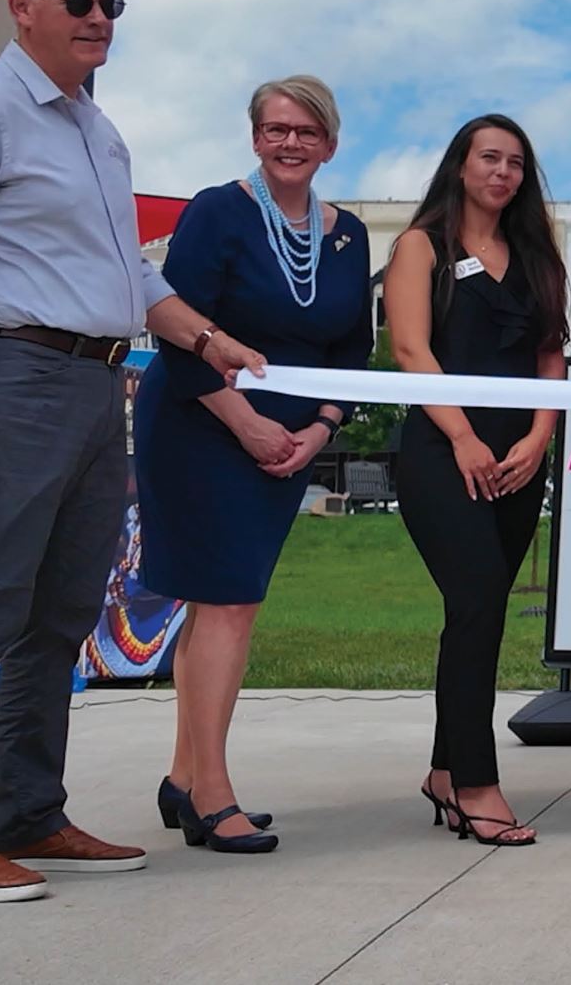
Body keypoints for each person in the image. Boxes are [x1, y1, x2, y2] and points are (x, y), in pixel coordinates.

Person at [0, 0, 266, 903]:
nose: (100, 21)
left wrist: (207, 338)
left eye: (111, 7)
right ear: (22, 7)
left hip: (97, 384)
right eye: (81, 4)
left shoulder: (96, 130)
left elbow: (127, 272)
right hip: (9, 375)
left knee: (59, 615)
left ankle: (28, 813)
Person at [136, 77, 373, 855]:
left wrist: (320, 430)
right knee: (227, 602)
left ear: (331, 143)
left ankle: (182, 777)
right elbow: (179, 326)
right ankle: (212, 793)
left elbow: (350, 349)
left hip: (292, 439)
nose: (290, 143)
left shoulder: (349, 233)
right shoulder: (217, 210)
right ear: (254, 137)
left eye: (306, 131)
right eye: (275, 129)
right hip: (203, 424)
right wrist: (245, 425)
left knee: (225, 606)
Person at [385, 114, 569, 846]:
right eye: (489, 158)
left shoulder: (535, 254)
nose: (502, 172)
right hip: (443, 452)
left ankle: (441, 769)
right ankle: (476, 784)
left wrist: (537, 438)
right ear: (460, 164)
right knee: (478, 601)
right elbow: (409, 347)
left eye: (516, 162)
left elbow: (551, 355)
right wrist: (462, 436)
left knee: (480, 613)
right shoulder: (419, 246)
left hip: (520, 456)